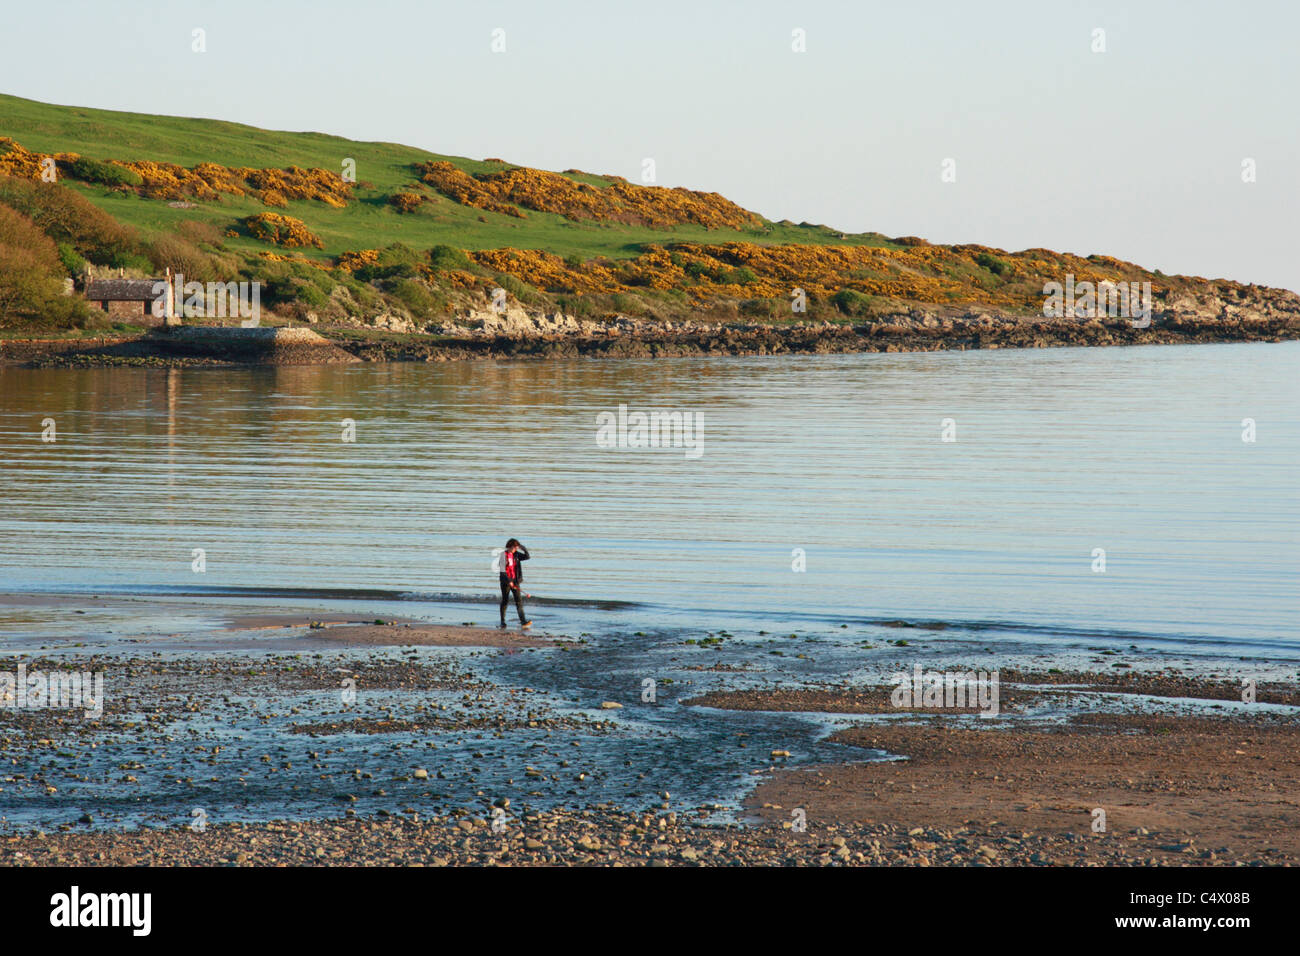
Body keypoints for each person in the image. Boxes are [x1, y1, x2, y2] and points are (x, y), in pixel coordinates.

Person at [498, 538, 531, 627]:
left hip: (515, 581)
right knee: (505, 600)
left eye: (517, 548)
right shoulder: (503, 555)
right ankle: (502, 621)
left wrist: (524, 549)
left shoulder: (516, 555)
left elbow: (527, 557)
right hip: (505, 581)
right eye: (515, 547)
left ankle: (523, 621)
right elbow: (502, 571)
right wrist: (509, 581)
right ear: (510, 546)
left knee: (519, 601)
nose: (516, 549)